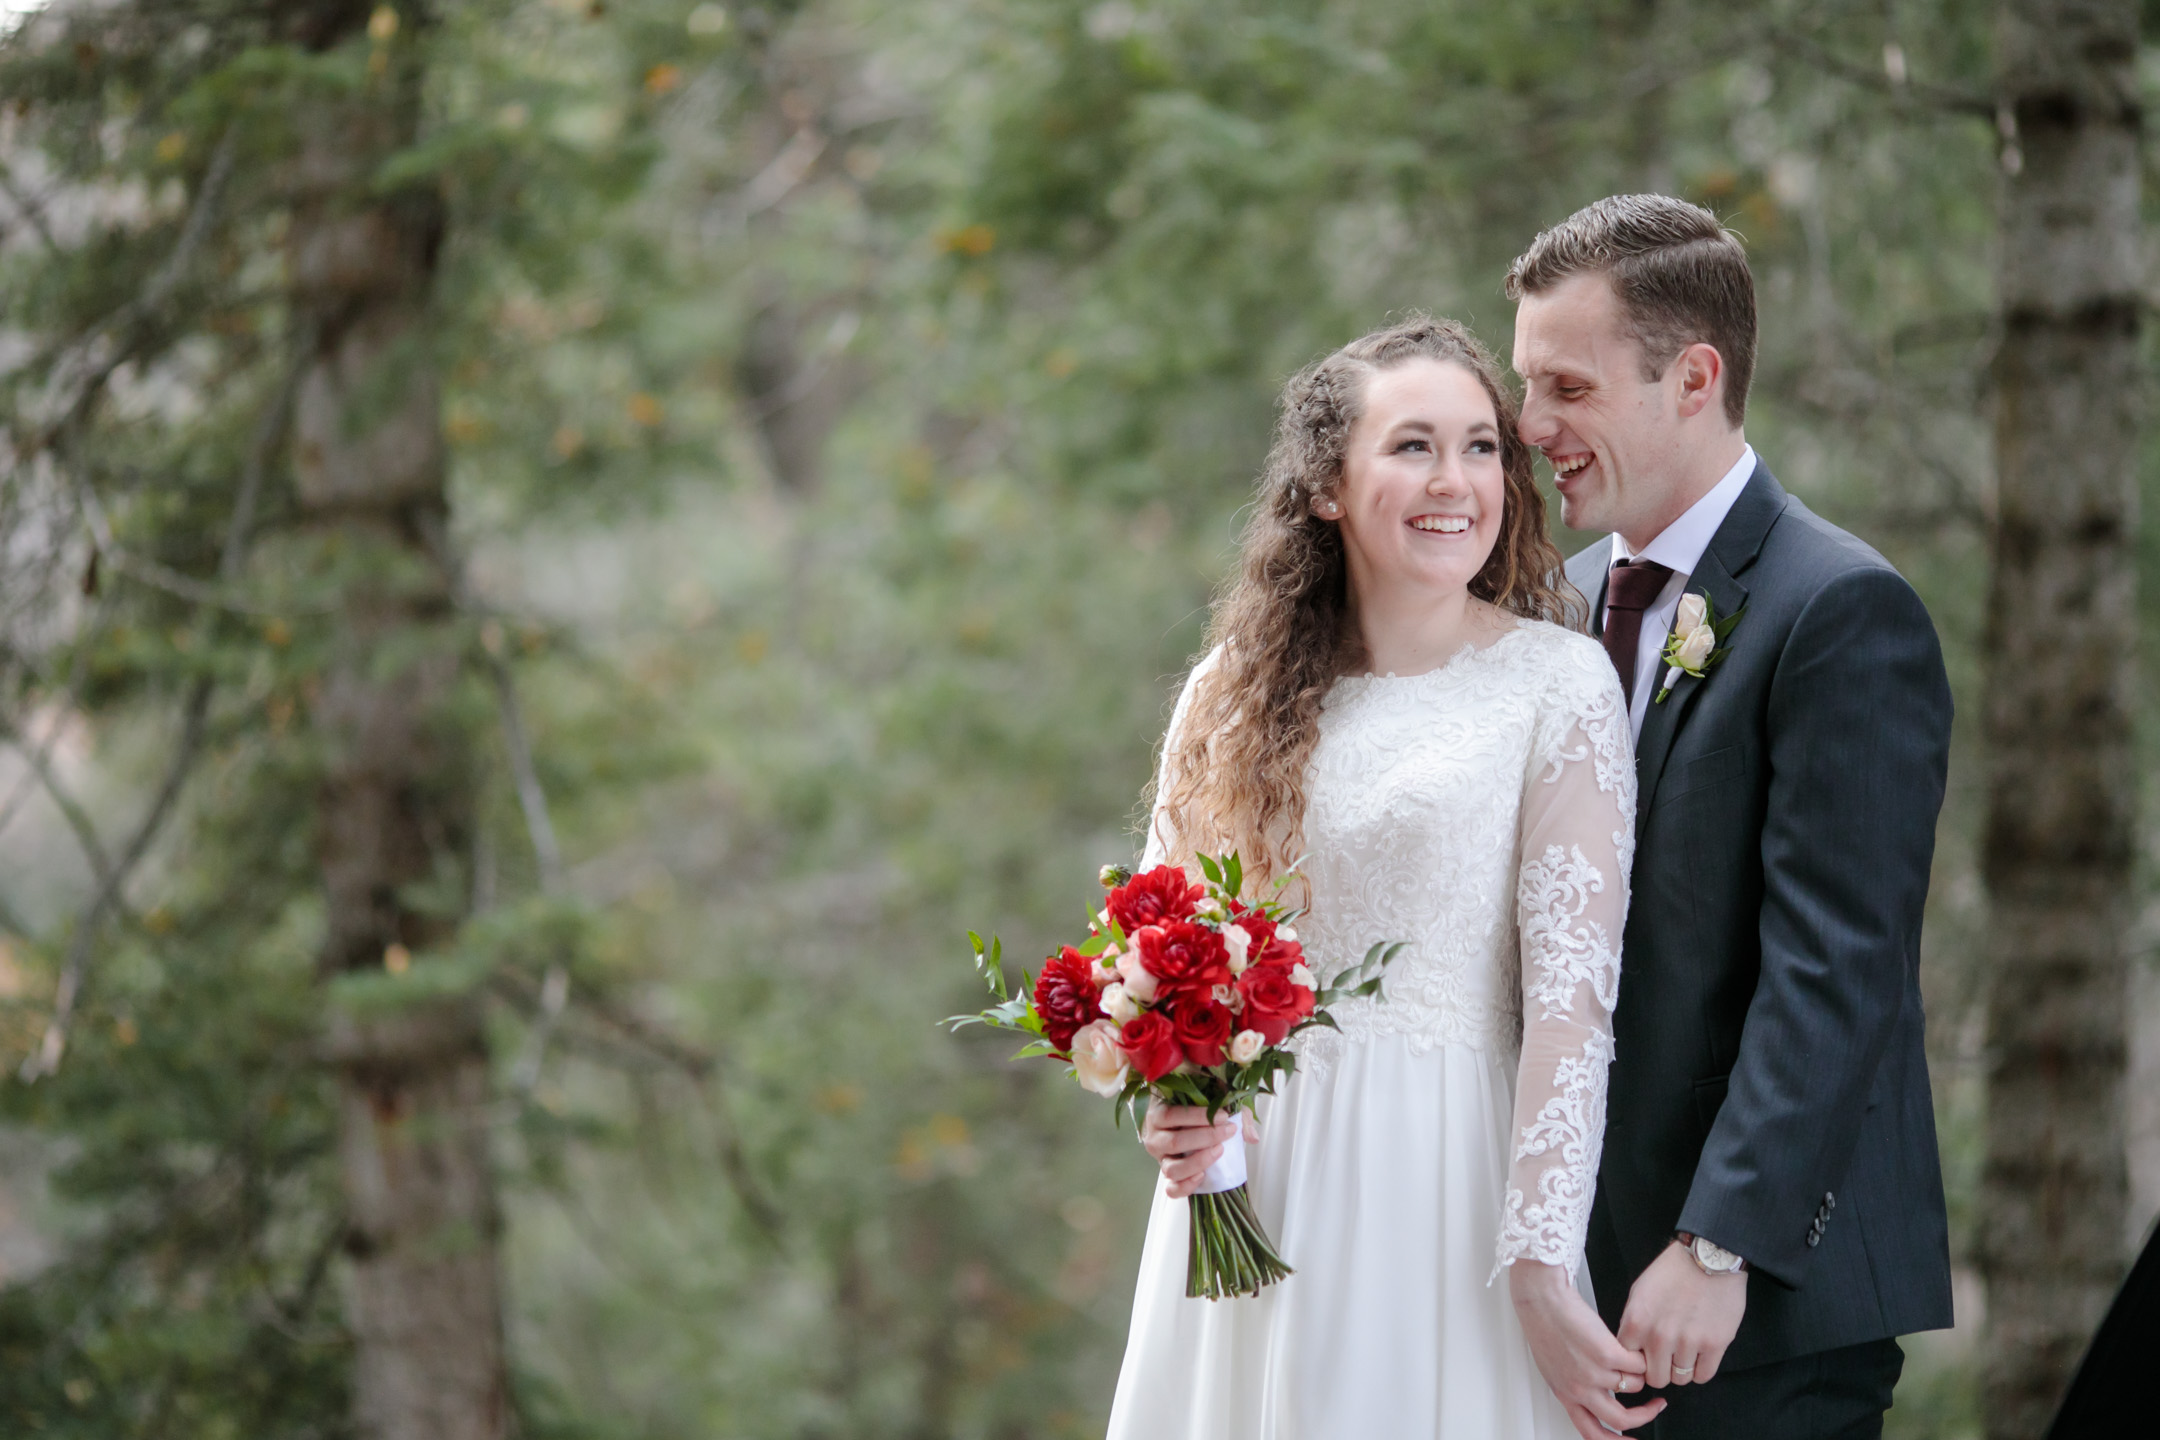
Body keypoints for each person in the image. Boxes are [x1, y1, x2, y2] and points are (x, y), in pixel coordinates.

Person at [1107, 315, 1656, 1439]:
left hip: (1445, 1182)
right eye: (1412, 447)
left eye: (1480, 447)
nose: (1454, 480)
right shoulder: (1226, 693)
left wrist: (1542, 1261)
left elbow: (1572, 1007)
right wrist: (1174, 1098)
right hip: (1254, 1189)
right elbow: (1163, 950)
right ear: (1326, 487)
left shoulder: (1557, 687)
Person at [1512, 194, 1955, 1440]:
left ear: (1692, 377)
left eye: (1567, 388)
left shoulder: (1842, 610)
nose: (1531, 427)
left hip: (1752, 1320)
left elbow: (1840, 965)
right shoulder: (1562, 607)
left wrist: (1720, 1245)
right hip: (1574, 1306)